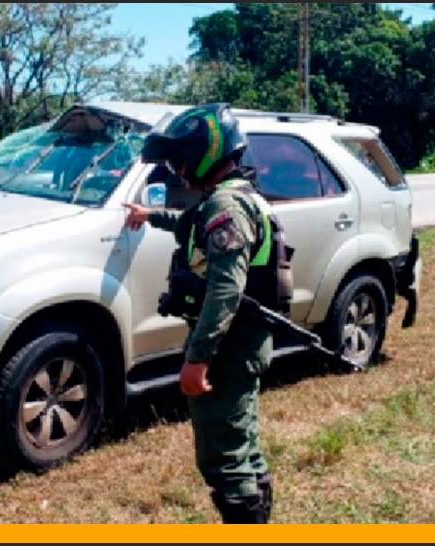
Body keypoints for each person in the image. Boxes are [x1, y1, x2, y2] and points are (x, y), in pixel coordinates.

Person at [122, 102, 282, 524]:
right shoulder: (226, 200)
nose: (175, 169)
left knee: (224, 458)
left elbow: (226, 289)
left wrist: (198, 359)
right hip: (241, 341)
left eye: (179, 158)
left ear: (207, 151)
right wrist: (149, 215)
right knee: (241, 443)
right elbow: (187, 225)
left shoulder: (226, 206)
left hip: (228, 348)